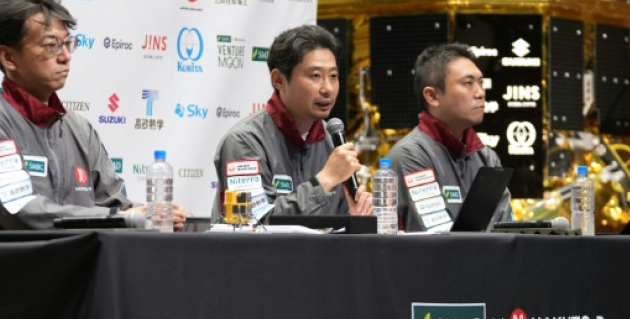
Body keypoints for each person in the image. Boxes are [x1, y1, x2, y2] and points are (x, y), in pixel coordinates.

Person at [0, 0, 185, 230]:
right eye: (51, 45)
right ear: (8, 57)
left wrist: (153, 214)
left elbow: (114, 203)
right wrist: (127, 218)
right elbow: (20, 211)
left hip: (78, 254)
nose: (65, 57)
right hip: (14, 256)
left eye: (67, 44)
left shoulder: (79, 128)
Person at [211, 24, 373, 222]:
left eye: (333, 76)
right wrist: (324, 181)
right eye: (315, 76)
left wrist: (354, 218)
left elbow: (336, 224)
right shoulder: (244, 141)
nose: (328, 89)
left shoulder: (330, 141)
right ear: (279, 80)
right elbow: (252, 222)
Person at [387, 43, 513, 232]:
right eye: (468, 83)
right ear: (432, 96)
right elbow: (438, 238)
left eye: (481, 82)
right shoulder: (410, 155)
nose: (480, 93)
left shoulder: (487, 157)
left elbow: (506, 229)